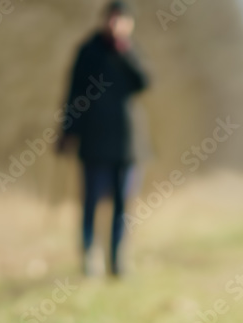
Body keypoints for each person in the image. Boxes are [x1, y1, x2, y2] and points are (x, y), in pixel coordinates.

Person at [58, 1, 149, 277]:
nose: (114, 24)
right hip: (93, 140)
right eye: (111, 18)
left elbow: (145, 82)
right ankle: (90, 257)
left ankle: (118, 259)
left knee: (123, 204)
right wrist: (67, 132)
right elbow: (73, 94)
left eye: (120, 19)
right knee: (90, 203)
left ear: (130, 24)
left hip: (127, 143)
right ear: (103, 20)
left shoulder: (132, 52)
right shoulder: (88, 51)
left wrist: (126, 51)